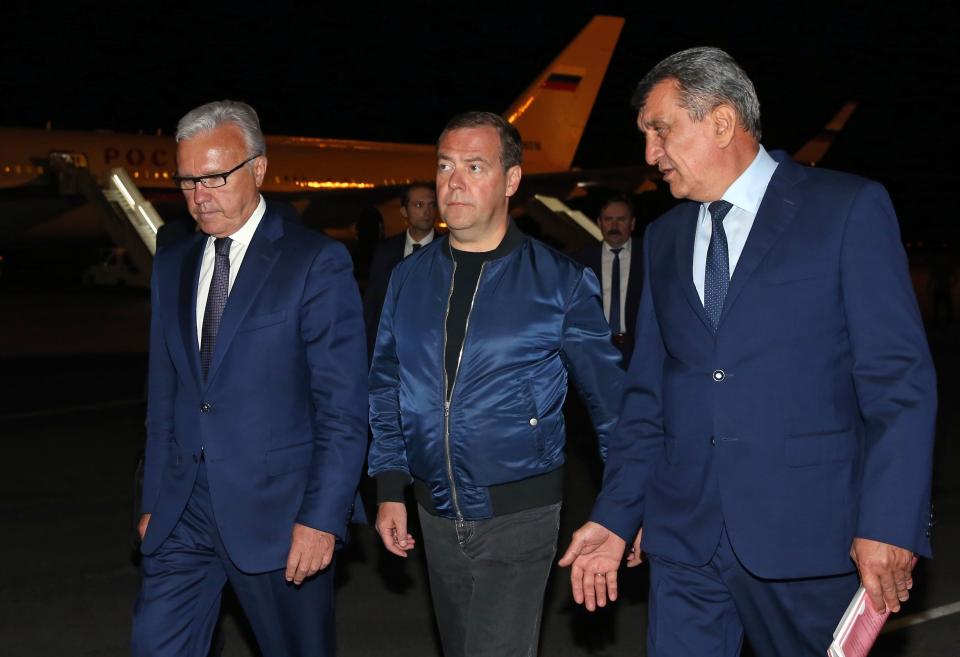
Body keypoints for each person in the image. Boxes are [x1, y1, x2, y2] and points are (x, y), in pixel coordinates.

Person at [560, 47, 937, 656]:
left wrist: (889, 523)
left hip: (808, 540)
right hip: (685, 541)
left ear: (721, 121)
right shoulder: (664, 237)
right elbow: (648, 395)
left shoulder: (844, 209)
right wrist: (615, 515)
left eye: (660, 131)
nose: (649, 154)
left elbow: (898, 383)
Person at [368, 111, 623, 657]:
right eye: (444, 166)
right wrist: (390, 485)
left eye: (474, 166)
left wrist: (624, 509)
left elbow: (613, 408)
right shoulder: (408, 278)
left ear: (510, 181)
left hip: (520, 517)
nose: (452, 182)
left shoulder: (560, 282)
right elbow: (386, 384)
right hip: (434, 511)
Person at [131, 100, 367, 657]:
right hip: (183, 511)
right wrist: (152, 498)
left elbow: (342, 407)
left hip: (280, 516)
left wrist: (322, 518)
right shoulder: (173, 262)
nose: (199, 194)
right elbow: (165, 394)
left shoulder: (315, 262)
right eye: (187, 179)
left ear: (258, 169)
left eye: (215, 176)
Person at [363, 183, 439, 358]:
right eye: (419, 205)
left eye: (432, 205)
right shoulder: (385, 251)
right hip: (389, 354)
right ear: (404, 211)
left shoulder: (449, 252)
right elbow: (373, 304)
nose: (427, 212)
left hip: (431, 356)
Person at [573, 193, 643, 366]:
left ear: (632, 223)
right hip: (595, 351)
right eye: (608, 219)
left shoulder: (648, 256)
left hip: (640, 352)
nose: (614, 226)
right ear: (599, 223)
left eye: (621, 219)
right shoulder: (581, 260)